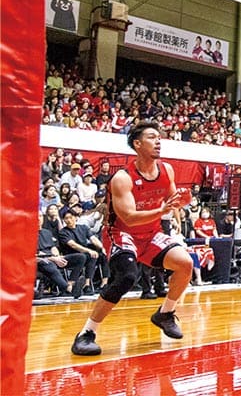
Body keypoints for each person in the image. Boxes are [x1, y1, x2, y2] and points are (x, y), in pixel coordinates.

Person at [70, 121, 194, 356]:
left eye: (159, 137)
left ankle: (165, 313)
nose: (158, 141)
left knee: (185, 263)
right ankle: (86, 333)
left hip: (152, 233)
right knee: (127, 277)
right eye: (152, 137)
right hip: (122, 233)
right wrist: (162, 210)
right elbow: (128, 217)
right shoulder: (122, 178)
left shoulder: (166, 170)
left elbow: (172, 198)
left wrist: (179, 207)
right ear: (137, 144)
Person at [58, 211, 108, 294]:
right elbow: (73, 245)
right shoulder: (63, 232)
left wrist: (102, 247)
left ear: (76, 218)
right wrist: (89, 250)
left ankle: (102, 284)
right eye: (66, 218)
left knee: (101, 255)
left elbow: (93, 239)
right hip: (70, 256)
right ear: (64, 220)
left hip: (84, 254)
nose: (69, 220)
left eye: (71, 217)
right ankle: (73, 285)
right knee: (85, 255)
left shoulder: (83, 227)